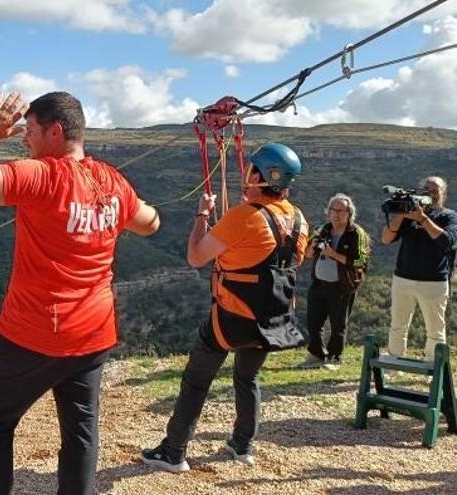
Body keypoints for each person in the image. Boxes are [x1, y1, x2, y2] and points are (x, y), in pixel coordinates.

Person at [0, 91, 160, 495]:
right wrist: (126, 208)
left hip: (32, 333)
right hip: (93, 333)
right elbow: (150, 223)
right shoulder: (113, 181)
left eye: (30, 131)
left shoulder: (42, 175)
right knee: (81, 434)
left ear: (56, 131)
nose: (25, 140)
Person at [141, 143, 308, 472]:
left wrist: (203, 214)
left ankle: (173, 451)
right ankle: (243, 444)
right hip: (273, 317)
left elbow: (195, 257)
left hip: (233, 317)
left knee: (196, 380)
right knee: (248, 377)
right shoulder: (299, 219)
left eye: (251, 170)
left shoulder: (243, 217)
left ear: (258, 175)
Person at [381, 176, 457, 361]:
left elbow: (447, 242)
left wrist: (422, 219)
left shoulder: (449, 216)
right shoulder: (409, 216)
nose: (430, 194)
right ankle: (395, 359)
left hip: (434, 281)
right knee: (398, 324)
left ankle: (435, 365)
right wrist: (400, 215)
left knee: (435, 328)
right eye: (426, 190)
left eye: (435, 190)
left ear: (443, 194)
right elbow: (386, 239)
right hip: (403, 278)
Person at [297, 193, 370, 370]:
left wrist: (332, 254)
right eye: (333, 210)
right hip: (319, 283)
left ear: (349, 213)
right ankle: (316, 354)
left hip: (341, 286)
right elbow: (307, 255)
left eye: (341, 210)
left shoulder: (356, 233)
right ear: (328, 212)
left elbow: (360, 260)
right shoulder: (323, 229)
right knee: (314, 321)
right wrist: (312, 247)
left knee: (338, 324)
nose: (336, 214)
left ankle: (335, 357)